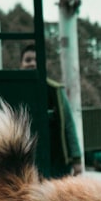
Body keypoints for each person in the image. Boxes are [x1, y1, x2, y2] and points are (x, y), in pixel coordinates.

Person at [19, 45, 83, 177]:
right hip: (25, 160)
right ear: (21, 64)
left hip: (54, 159)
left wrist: (76, 159)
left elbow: (68, 125)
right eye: (28, 60)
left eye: (36, 60)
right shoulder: (16, 90)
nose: (32, 63)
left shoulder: (55, 91)